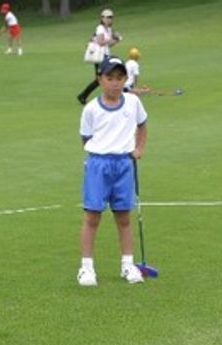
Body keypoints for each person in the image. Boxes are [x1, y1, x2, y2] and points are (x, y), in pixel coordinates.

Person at [77, 56, 148, 287]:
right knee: (92, 217)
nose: (115, 83)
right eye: (110, 78)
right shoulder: (91, 109)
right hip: (98, 165)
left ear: (125, 79)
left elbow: (142, 125)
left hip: (124, 164)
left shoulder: (133, 102)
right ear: (100, 79)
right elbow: (86, 138)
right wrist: (101, 153)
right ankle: (86, 268)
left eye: (120, 78)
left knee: (124, 217)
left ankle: (128, 264)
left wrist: (139, 148)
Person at [77, 9, 122, 105]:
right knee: (104, 78)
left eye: (111, 17)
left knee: (100, 79)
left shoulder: (108, 30)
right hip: (100, 57)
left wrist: (117, 40)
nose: (110, 19)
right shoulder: (100, 28)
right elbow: (101, 42)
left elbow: (108, 45)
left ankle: (83, 96)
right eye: (107, 17)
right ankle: (109, 96)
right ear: (103, 18)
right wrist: (111, 38)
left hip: (106, 55)